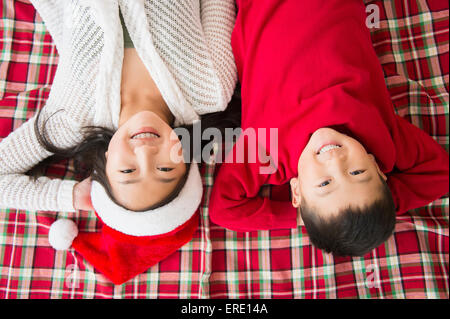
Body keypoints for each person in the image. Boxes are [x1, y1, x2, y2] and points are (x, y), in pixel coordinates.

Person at [0, 0, 238, 284]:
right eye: (165, 170)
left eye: (128, 172)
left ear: (103, 167)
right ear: (186, 156)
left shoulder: (72, 118)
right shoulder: (212, 88)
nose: (146, 154)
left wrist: (75, 196)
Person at [208, 0, 449, 257]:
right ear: (378, 169)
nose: (335, 161)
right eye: (357, 172)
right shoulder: (382, 139)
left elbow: (224, 210)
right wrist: (385, 203)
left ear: (297, 191)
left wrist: (299, 217)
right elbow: (441, 175)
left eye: (324, 184)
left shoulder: (267, 153)